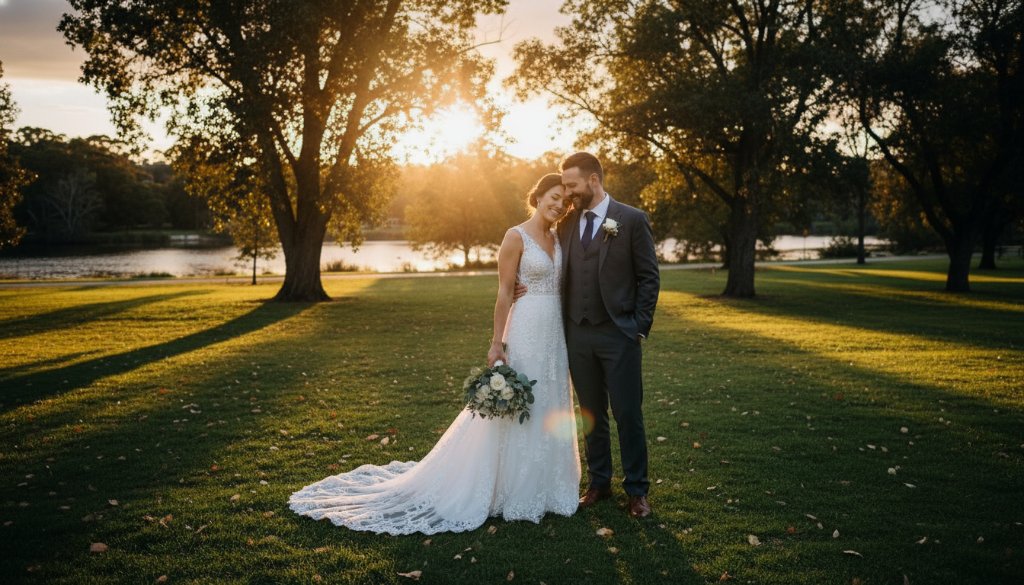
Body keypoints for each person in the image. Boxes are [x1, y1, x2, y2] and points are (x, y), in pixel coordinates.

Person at [289, 174, 580, 534]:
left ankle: (548, 488)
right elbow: (504, 293)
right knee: (520, 407)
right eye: (553, 197)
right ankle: (510, 490)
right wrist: (496, 343)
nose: (558, 205)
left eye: (564, 203)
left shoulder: (558, 237)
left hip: (556, 334)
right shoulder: (514, 236)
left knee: (551, 402)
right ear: (537, 196)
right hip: (526, 330)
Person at [521, 152, 660, 518]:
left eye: (571, 185)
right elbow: (541, 259)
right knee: (590, 413)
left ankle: (637, 491)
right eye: (564, 187)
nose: (566, 193)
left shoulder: (630, 220)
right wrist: (523, 287)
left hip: (619, 335)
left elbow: (649, 277)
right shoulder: (565, 225)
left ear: (593, 181)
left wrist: (638, 327)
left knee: (628, 413)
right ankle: (599, 483)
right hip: (577, 336)